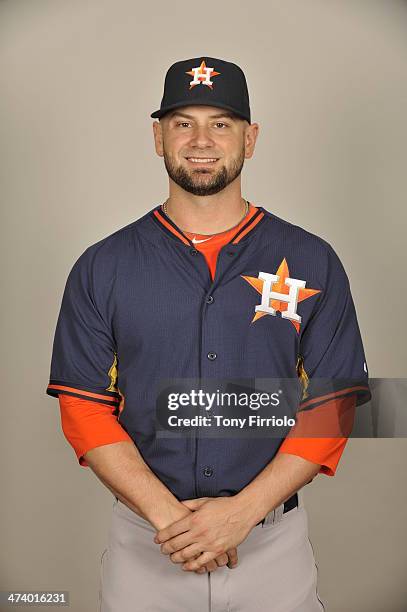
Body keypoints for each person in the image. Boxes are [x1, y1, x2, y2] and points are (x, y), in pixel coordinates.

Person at [46, 56, 371, 612]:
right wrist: (174, 520)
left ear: (251, 138)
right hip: (148, 541)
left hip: (271, 544)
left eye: (221, 123)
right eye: (182, 123)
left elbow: (336, 404)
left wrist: (240, 514)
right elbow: (82, 407)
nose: (201, 140)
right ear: (158, 137)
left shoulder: (313, 258)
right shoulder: (103, 265)